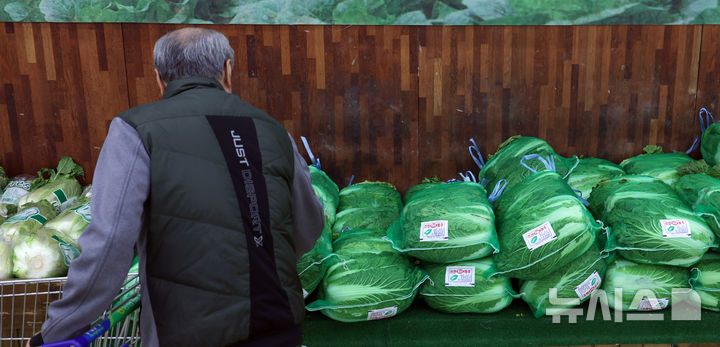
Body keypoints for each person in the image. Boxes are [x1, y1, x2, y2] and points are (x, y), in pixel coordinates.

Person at [27, 27, 325, 347]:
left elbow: (109, 243)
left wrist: (56, 330)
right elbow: (308, 229)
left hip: (185, 332)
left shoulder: (134, 130)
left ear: (159, 78)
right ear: (227, 70)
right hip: (280, 328)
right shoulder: (273, 131)